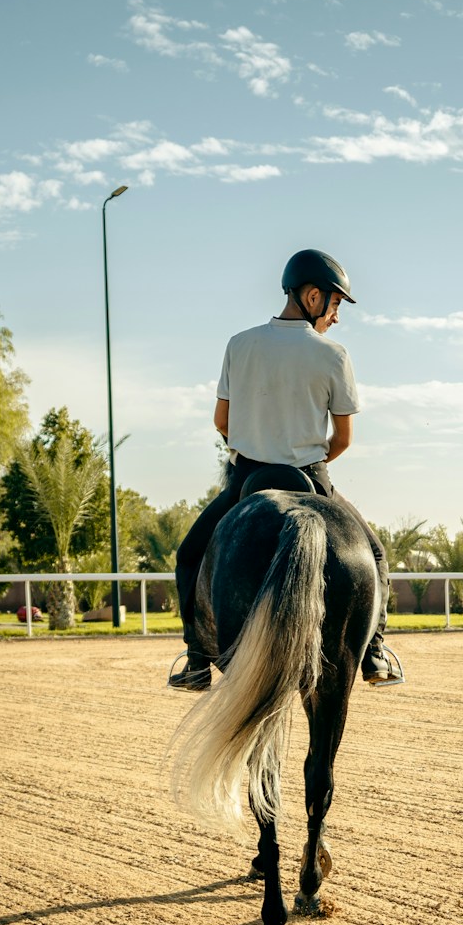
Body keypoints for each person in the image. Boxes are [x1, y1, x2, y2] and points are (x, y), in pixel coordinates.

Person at [167, 248, 397, 692]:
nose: (336, 317)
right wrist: (311, 462)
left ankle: (196, 658)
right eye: (334, 304)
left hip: (246, 479)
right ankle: (374, 653)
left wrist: (254, 447)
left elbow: (221, 422)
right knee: (376, 555)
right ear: (312, 297)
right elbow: (344, 439)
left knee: (190, 555)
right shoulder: (334, 355)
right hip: (311, 476)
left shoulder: (240, 344)